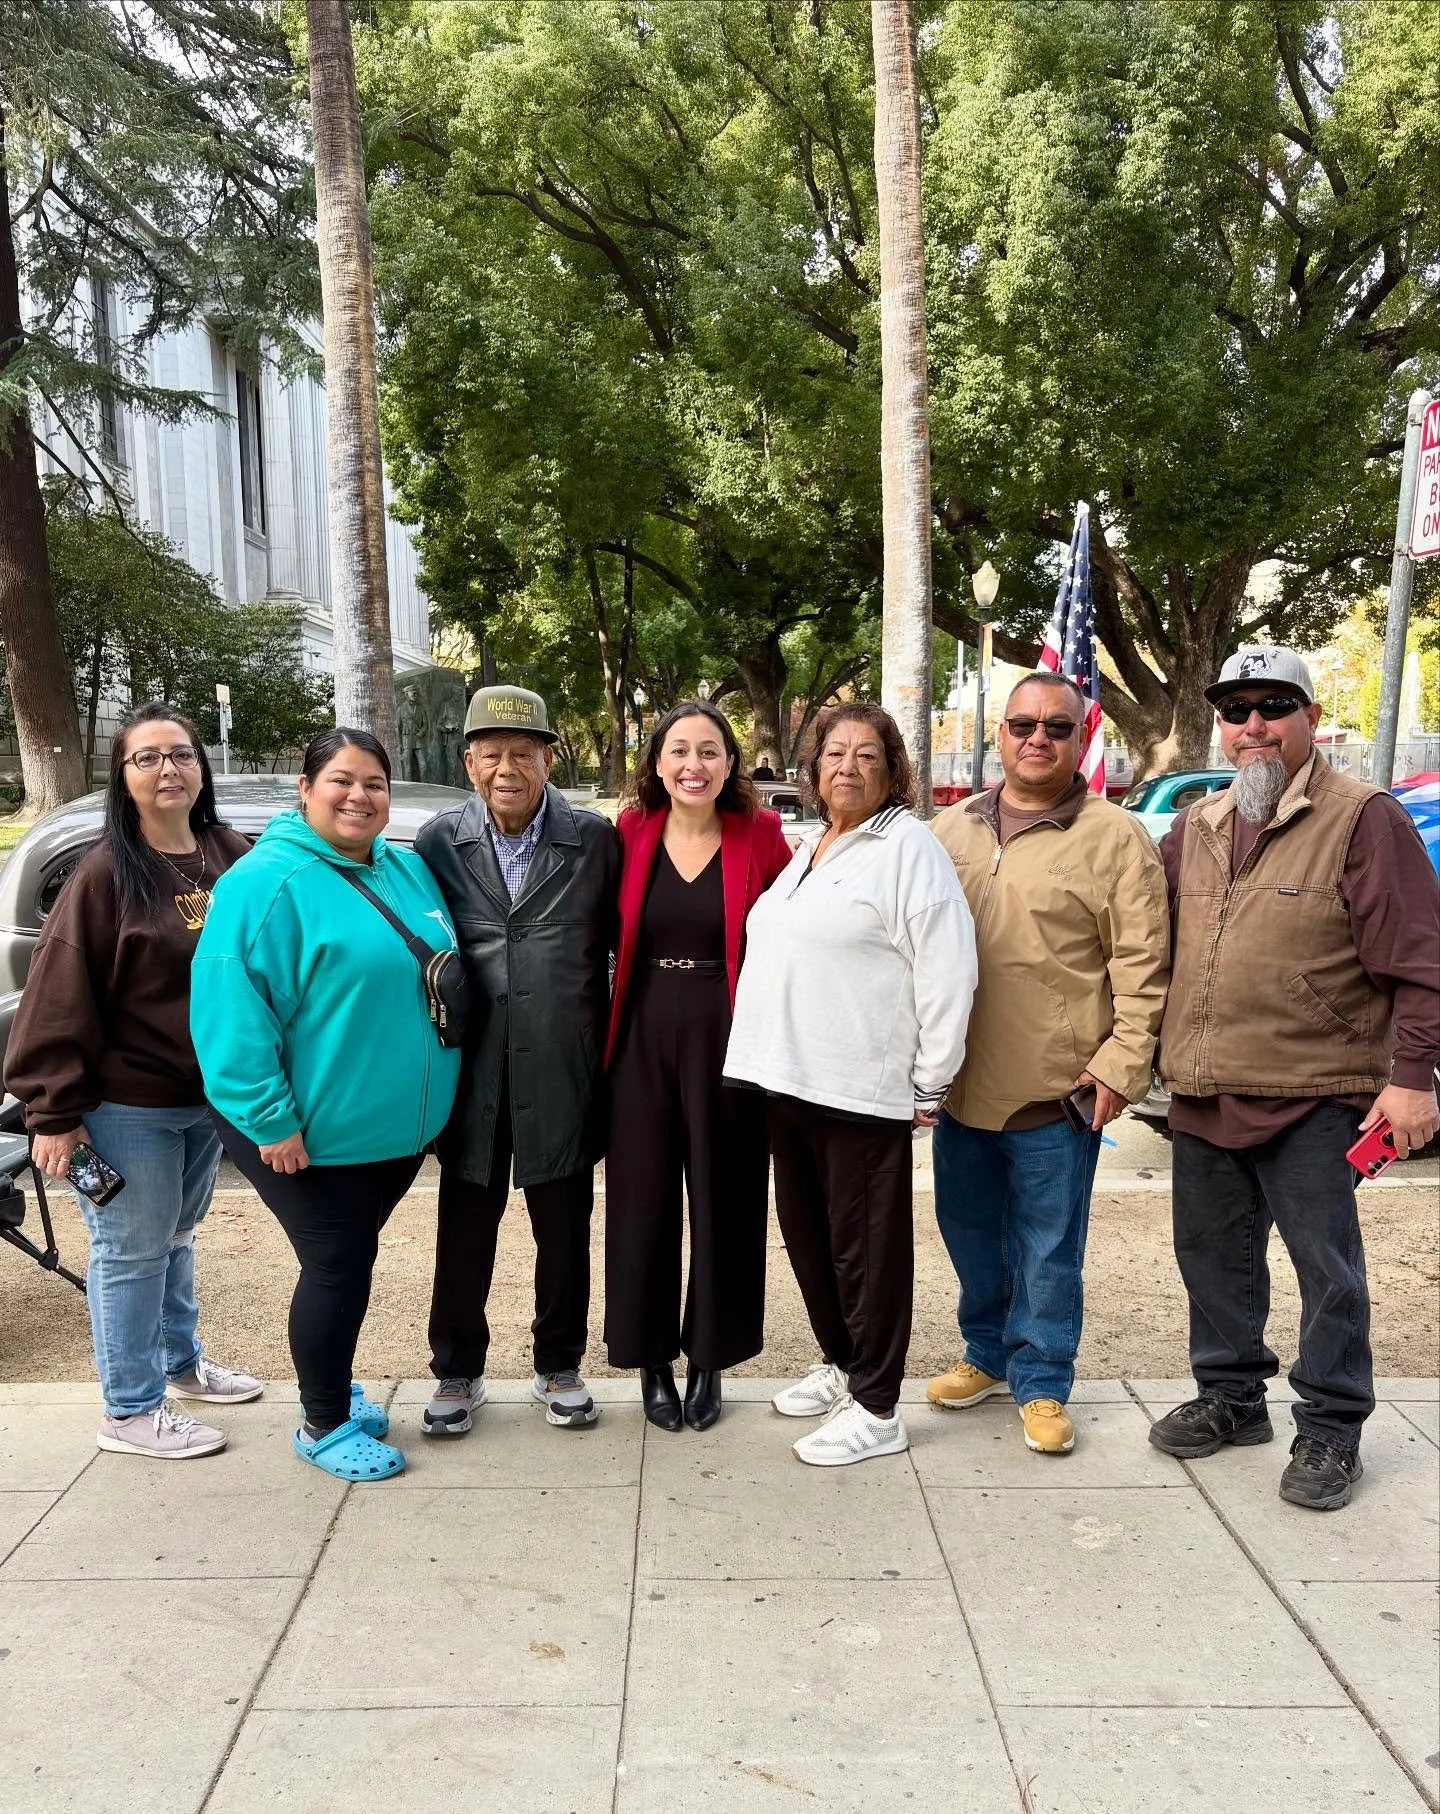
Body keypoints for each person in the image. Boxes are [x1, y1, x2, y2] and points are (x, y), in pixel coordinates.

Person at [1147, 647, 1440, 1510]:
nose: (1253, 727)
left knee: (1328, 1272)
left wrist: (1415, 1077)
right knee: (1211, 1260)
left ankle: (1332, 1429)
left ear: (1311, 719)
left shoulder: (1364, 819)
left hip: (1318, 1093)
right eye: (1236, 710)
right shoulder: (1193, 827)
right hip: (1201, 1087)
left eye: (1274, 706)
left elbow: (1420, 962)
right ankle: (1233, 1399)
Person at [191, 728, 462, 1481]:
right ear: (304, 790)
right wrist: (270, 1120)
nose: (359, 796)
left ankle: (332, 1386)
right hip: (307, 1135)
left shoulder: (405, 869)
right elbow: (231, 1018)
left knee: (351, 1257)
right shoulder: (263, 883)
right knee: (338, 1267)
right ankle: (322, 1421)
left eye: (374, 782)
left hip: (391, 1134)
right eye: (341, 780)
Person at [724, 702, 977, 1466]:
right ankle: (840, 1362)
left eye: (868, 756)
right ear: (814, 767)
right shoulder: (812, 847)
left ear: (893, 770)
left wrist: (930, 1082)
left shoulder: (908, 849)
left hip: (861, 1087)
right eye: (835, 753)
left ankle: (877, 1404)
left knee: (866, 1251)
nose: (848, 767)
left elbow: (948, 971)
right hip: (788, 1079)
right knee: (810, 1240)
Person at [4, 704, 258, 1459]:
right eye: (145, 758)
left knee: (175, 1237)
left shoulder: (226, 853)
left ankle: (180, 1366)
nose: (166, 769)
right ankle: (129, 1410)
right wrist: (53, 1114)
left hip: (201, 1101)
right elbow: (58, 993)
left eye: (179, 754)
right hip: (125, 1106)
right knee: (129, 1250)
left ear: (200, 766)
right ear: (123, 777)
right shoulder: (105, 873)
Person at [927, 674, 1171, 1455]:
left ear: (1081, 738)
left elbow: (1143, 963)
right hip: (960, 1089)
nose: (1037, 739)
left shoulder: (1114, 836)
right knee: (967, 1233)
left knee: (1048, 1248)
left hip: (1057, 1095)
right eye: (1023, 724)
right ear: (1000, 733)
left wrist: (1118, 1069)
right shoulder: (949, 830)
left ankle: (1041, 1380)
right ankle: (987, 1355)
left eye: (1056, 728)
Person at [415, 686, 621, 1435]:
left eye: (524, 753)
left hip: (562, 1066)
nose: (508, 767)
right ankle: (456, 1372)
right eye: (491, 753)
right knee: (464, 1225)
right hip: (471, 1069)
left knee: (564, 1228)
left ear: (549, 759)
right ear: (469, 762)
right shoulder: (439, 842)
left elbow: (619, 947)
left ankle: (558, 1365)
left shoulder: (594, 840)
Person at [605, 700, 792, 1432]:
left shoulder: (763, 836)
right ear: (655, 762)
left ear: (730, 763)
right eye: (678, 750)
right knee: (642, 1200)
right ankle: (652, 1362)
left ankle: (710, 1357)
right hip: (644, 1023)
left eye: (709, 751)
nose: (693, 765)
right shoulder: (626, 834)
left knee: (727, 1197)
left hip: (730, 1027)